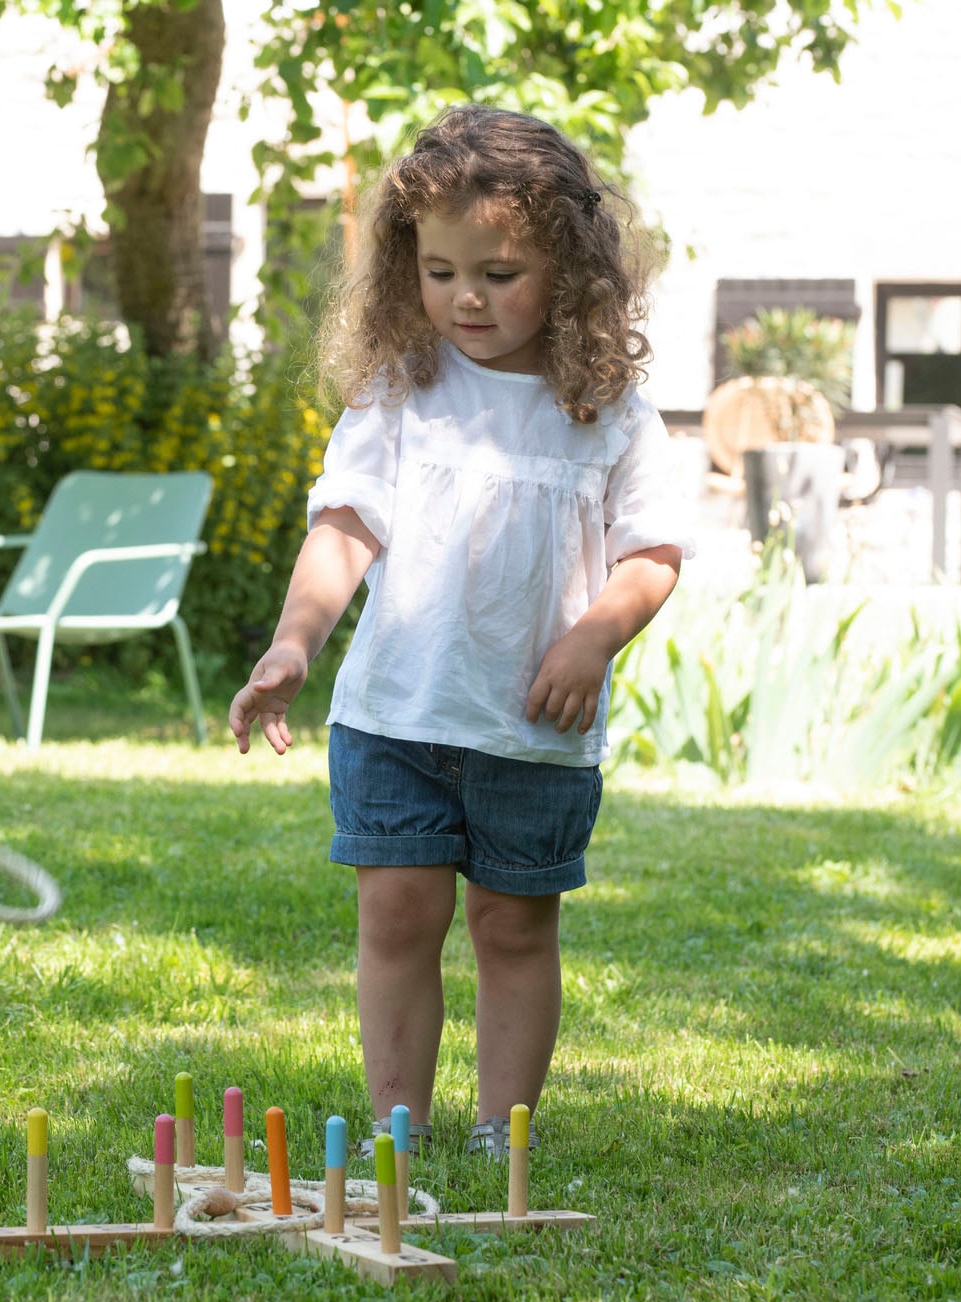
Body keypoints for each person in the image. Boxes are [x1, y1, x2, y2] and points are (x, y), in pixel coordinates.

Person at [228, 104, 694, 1158]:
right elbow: (344, 527)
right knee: (396, 917)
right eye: (439, 272)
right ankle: (400, 1125)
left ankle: (501, 1129)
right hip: (395, 714)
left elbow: (652, 553)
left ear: (570, 271)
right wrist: (294, 642)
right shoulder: (402, 389)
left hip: (530, 732)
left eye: (497, 272)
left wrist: (591, 640)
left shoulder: (609, 409)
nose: (465, 298)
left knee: (512, 927)